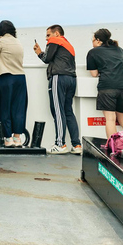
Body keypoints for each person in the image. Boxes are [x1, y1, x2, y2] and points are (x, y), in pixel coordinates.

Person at [33, 24, 81, 154]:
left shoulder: (54, 41)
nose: (47, 39)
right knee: (68, 111)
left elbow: (46, 59)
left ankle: (60, 144)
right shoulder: (68, 45)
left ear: (57, 34)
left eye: (48, 35)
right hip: (71, 78)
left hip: (58, 78)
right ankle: (76, 145)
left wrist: (39, 52)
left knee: (58, 110)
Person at [0, 20, 27, 147]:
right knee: (19, 109)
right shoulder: (18, 42)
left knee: (4, 108)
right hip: (20, 78)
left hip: (4, 78)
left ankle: (8, 138)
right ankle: (17, 138)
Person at [86, 28, 123, 139]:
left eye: (93, 40)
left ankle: (113, 146)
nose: (92, 43)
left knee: (110, 119)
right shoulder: (118, 49)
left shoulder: (92, 52)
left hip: (108, 87)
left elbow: (94, 74)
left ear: (98, 40)